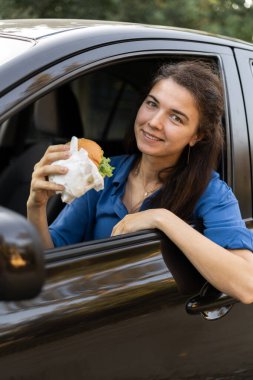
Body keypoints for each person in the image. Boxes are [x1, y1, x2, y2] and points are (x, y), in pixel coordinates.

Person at [27, 60, 253, 304]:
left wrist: (162, 219)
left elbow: (247, 285)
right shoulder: (104, 173)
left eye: (176, 118)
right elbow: (50, 259)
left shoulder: (212, 194)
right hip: (89, 316)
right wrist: (36, 207)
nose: (154, 122)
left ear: (196, 136)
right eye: (152, 104)